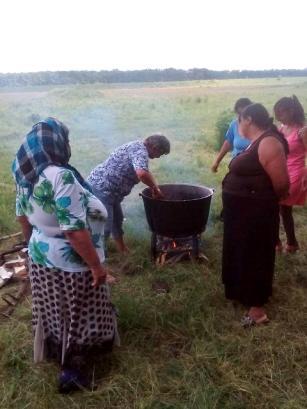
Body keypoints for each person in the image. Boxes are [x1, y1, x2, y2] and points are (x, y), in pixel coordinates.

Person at [12, 117, 119, 393]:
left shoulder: (25, 170)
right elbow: (73, 231)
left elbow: (23, 216)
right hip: (72, 261)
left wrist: (32, 248)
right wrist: (96, 267)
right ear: (57, 142)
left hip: (41, 254)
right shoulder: (61, 176)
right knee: (79, 313)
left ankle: (56, 352)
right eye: (66, 139)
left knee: (53, 308)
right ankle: (73, 373)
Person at [222, 103, 289, 326]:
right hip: (242, 214)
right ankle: (243, 293)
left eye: (239, 119)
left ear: (248, 119)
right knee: (242, 252)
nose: (237, 123)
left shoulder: (269, 142)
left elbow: (281, 185)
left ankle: (257, 310)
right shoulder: (256, 142)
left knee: (256, 255)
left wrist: (260, 201)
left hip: (256, 214)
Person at [87, 134, 170, 253]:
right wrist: (155, 189)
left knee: (117, 220)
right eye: (160, 154)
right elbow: (142, 174)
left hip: (112, 193)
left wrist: (153, 187)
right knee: (103, 227)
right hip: (101, 189)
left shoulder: (138, 148)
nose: (158, 157)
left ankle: (122, 250)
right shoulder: (140, 151)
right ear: (155, 147)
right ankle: (96, 262)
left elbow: (144, 172)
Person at [274, 95, 307, 253]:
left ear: (291, 111)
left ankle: (285, 243)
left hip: (296, 173)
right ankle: (288, 243)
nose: (279, 117)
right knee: (280, 207)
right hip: (281, 170)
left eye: (282, 113)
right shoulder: (281, 128)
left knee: (282, 206)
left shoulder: (302, 130)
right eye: (277, 114)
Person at [211, 97, 252, 173]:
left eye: (244, 114)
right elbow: (227, 143)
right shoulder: (234, 124)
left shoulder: (258, 126)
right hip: (236, 168)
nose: (241, 117)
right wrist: (217, 162)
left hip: (254, 170)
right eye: (239, 114)